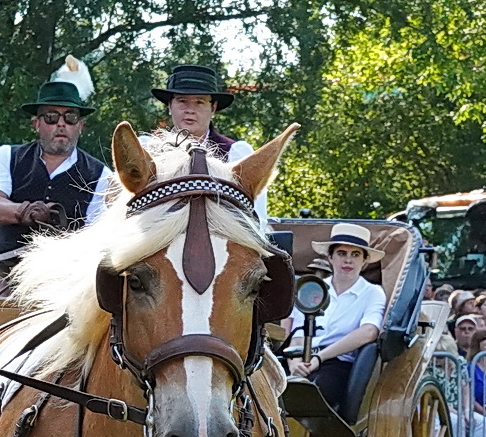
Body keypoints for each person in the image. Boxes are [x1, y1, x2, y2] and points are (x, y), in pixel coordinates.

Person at [0, 78, 113, 282]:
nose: (61, 124)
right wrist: (24, 212)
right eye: (51, 117)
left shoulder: (101, 175)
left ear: (80, 126)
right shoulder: (6, 156)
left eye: (70, 117)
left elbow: (98, 234)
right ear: (36, 124)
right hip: (7, 266)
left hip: (68, 273)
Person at [146, 64, 267, 221]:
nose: (190, 109)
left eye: (199, 102)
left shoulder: (235, 154)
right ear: (170, 106)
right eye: (182, 101)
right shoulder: (148, 150)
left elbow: (257, 219)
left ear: (213, 108)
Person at [290, 224, 388, 417]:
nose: (348, 260)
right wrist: (294, 362)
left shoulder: (372, 293)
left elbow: (369, 331)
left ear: (365, 260)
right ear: (330, 257)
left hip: (338, 364)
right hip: (301, 359)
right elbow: (298, 333)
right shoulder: (312, 288)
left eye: (355, 255)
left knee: (311, 396)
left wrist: (320, 357)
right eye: (342, 253)